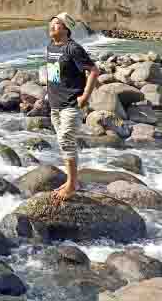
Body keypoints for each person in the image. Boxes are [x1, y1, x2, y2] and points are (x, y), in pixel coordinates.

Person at [45, 12, 99, 201]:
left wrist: (85, 96)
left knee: (66, 141)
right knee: (63, 143)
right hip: (55, 105)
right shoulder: (50, 47)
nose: (52, 27)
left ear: (66, 30)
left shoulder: (73, 48)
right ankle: (71, 180)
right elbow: (55, 76)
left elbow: (93, 70)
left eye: (57, 24)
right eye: (51, 24)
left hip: (70, 105)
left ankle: (72, 184)